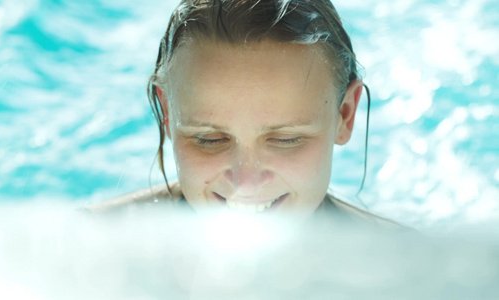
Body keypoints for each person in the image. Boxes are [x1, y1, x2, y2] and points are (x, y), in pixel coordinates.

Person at [86, 0, 404, 229]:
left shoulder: (406, 271)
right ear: (169, 115)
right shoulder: (87, 249)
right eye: (209, 139)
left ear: (345, 115)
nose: (246, 183)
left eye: (285, 139)